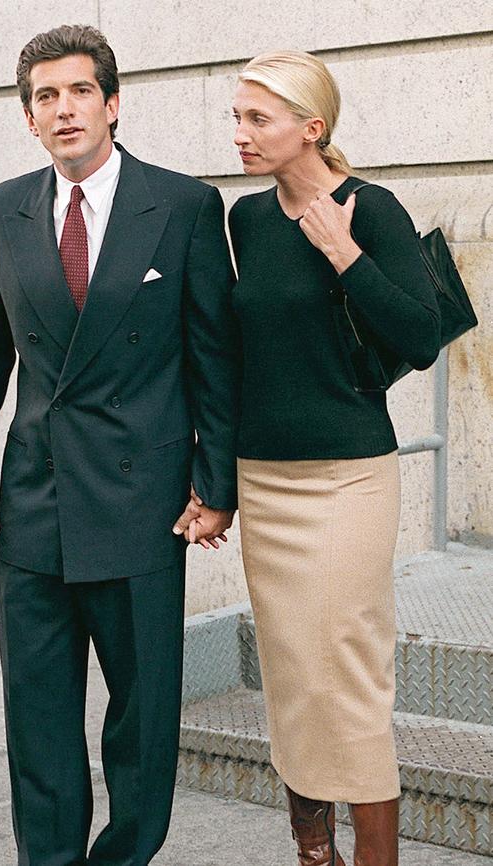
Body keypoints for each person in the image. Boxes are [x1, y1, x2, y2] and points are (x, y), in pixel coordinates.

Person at [0, 24, 239, 866]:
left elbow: (215, 358)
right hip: (34, 507)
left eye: (79, 92)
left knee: (142, 724)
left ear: (113, 104)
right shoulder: (3, 209)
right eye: (46, 97)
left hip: (143, 508)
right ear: (29, 119)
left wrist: (214, 483)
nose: (64, 109)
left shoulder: (181, 204)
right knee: (36, 722)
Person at [213, 50, 439, 865]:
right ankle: (316, 854)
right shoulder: (244, 221)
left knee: (348, 675)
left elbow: (420, 338)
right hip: (265, 481)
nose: (239, 133)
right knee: (293, 676)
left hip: (348, 480)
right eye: (236, 116)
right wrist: (219, 486)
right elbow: (233, 356)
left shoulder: (369, 209)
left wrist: (346, 254)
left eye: (257, 119)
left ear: (311, 129)